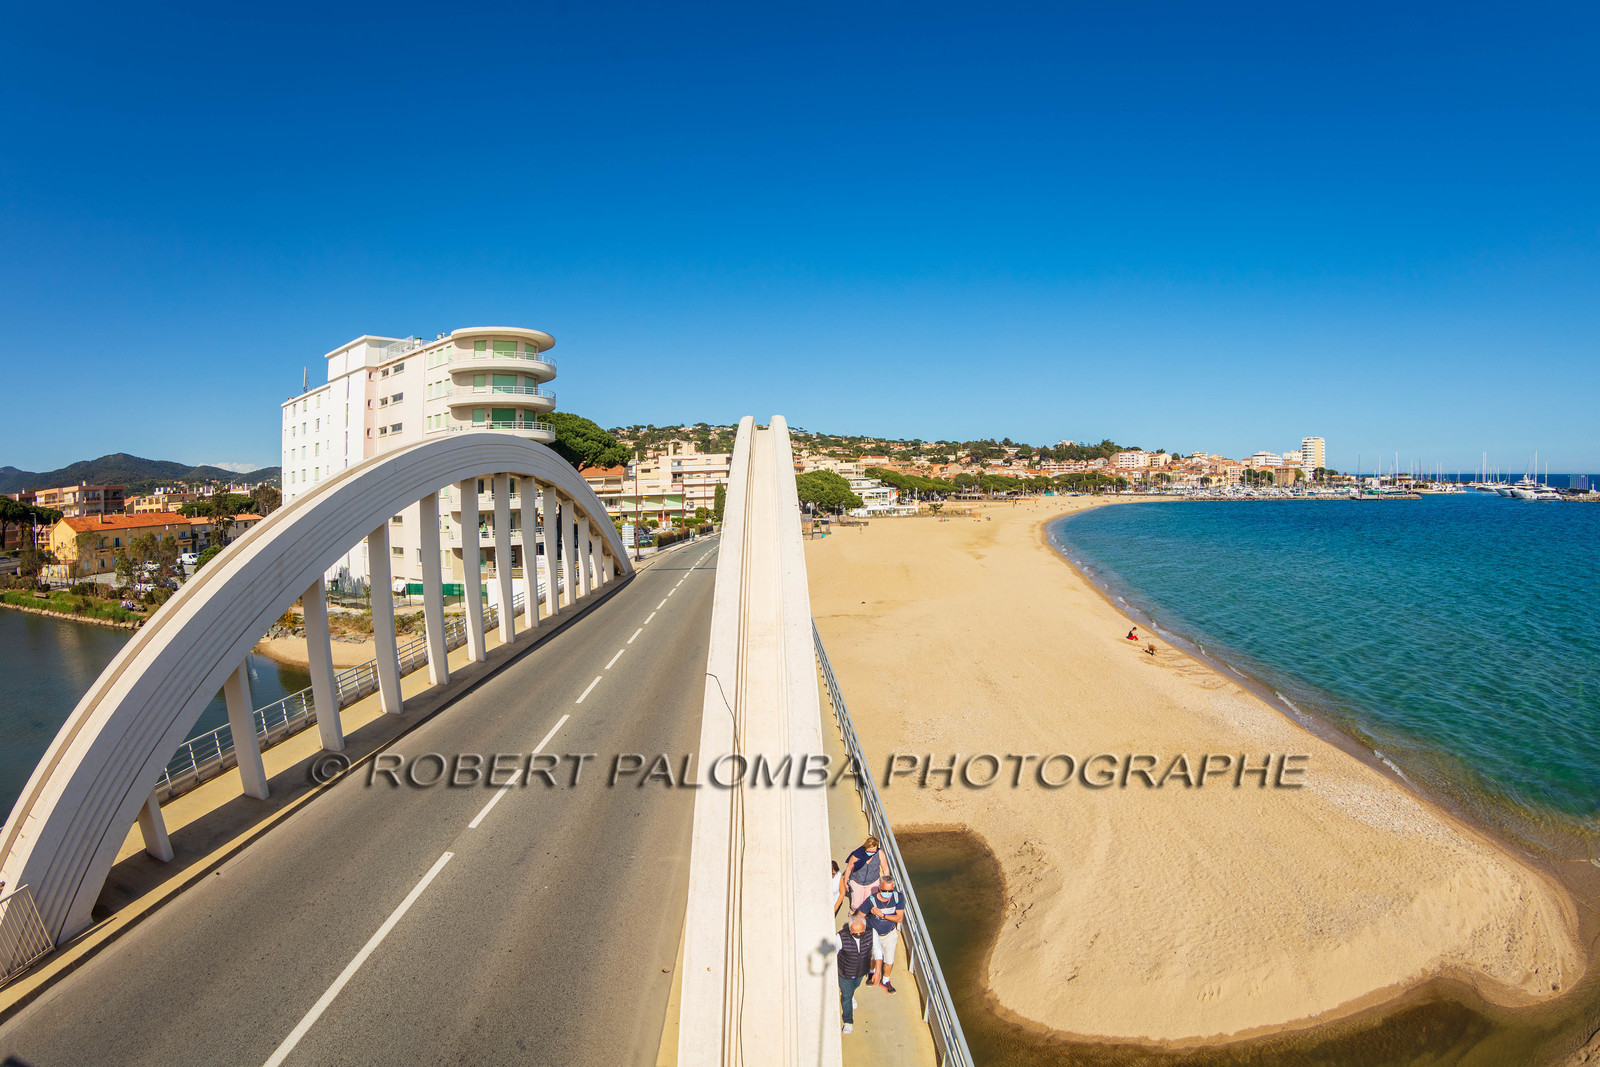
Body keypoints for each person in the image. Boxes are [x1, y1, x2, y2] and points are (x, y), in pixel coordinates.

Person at [854, 876, 906, 994]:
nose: (887, 893)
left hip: (889, 935)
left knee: (889, 959)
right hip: (873, 935)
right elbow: (859, 917)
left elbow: (899, 918)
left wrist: (882, 915)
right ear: (879, 888)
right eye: (884, 891)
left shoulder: (898, 897)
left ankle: (886, 980)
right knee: (872, 956)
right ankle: (871, 973)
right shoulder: (871, 901)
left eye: (890, 891)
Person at [837, 914, 872, 1033]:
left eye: (861, 933)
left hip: (861, 971)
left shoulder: (871, 934)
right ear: (850, 930)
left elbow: (876, 950)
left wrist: (876, 971)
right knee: (846, 996)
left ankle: (851, 994)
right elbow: (833, 953)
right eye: (855, 933)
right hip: (845, 973)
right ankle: (848, 1021)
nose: (858, 935)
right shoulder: (840, 937)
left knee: (855, 986)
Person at [837, 836, 884, 913]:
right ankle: (853, 911)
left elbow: (885, 868)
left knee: (869, 903)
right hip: (857, 881)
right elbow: (849, 868)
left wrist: (885, 883)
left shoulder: (880, 853)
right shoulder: (856, 855)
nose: (871, 853)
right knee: (856, 904)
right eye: (869, 851)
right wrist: (845, 882)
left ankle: (865, 915)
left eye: (873, 852)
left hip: (873, 882)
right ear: (865, 848)